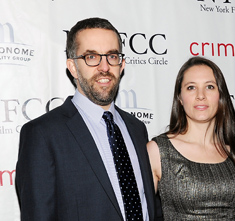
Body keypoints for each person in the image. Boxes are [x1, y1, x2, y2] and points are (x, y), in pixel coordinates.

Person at [15, 17, 161, 221]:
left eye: (112, 56)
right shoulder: (42, 133)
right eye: (91, 57)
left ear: (122, 64)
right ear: (73, 67)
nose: (104, 67)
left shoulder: (137, 128)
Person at [146, 56, 235, 220]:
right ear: (180, 98)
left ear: (220, 96)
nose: (201, 95)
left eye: (210, 87)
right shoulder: (158, 151)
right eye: (191, 87)